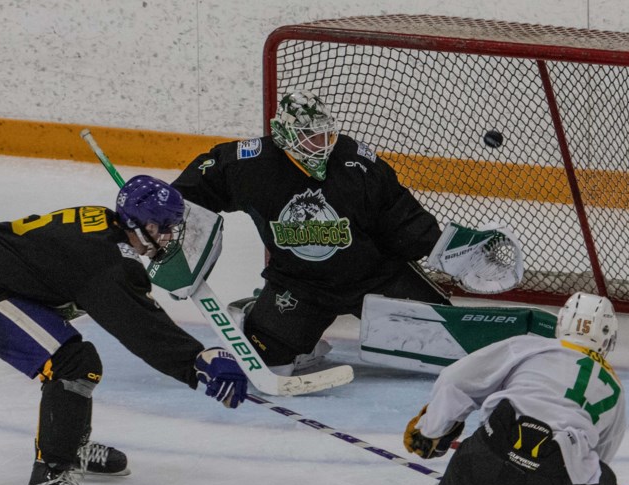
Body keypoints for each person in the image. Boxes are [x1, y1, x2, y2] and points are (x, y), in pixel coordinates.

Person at [0, 175, 249, 485]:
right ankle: (48, 481)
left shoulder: (108, 228)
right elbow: (139, 326)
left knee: (76, 360)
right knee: (72, 363)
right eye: (161, 226)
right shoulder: (107, 263)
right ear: (137, 223)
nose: (167, 235)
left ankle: (69, 446)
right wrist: (195, 362)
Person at [344, 292, 625, 485]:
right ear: (608, 336)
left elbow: (456, 378)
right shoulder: (614, 389)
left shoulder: (530, 346)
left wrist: (432, 431)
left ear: (562, 324)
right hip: (554, 479)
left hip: (490, 452)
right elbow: (599, 461)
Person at [171, 88, 451, 375]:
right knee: (269, 362)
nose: (321, 144)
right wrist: (165, 210)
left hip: (373, 277)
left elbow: (399, 214)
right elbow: (200, 184)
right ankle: (272, 323)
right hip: (301, 286)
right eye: (309, 136)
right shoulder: (252, 165)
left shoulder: (355, 161)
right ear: (284, 134)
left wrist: (439, 248)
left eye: (325, 134)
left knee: (445, 343)